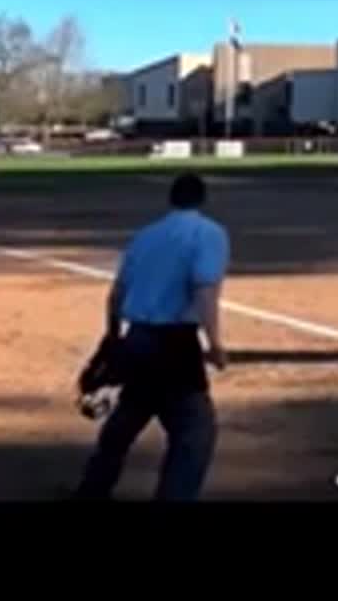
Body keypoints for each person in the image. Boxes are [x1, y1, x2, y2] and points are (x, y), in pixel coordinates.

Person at [73, 173, 229, 501]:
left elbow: (116, 295)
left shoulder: (145, 235)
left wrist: (112, 340)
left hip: (137, 339)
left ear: (171, 199)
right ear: (202, 199)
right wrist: (215, 344)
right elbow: (204, 289)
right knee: (193, 431)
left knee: (130, 414)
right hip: (176, 345)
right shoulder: (209, 234)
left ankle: (93, 488)